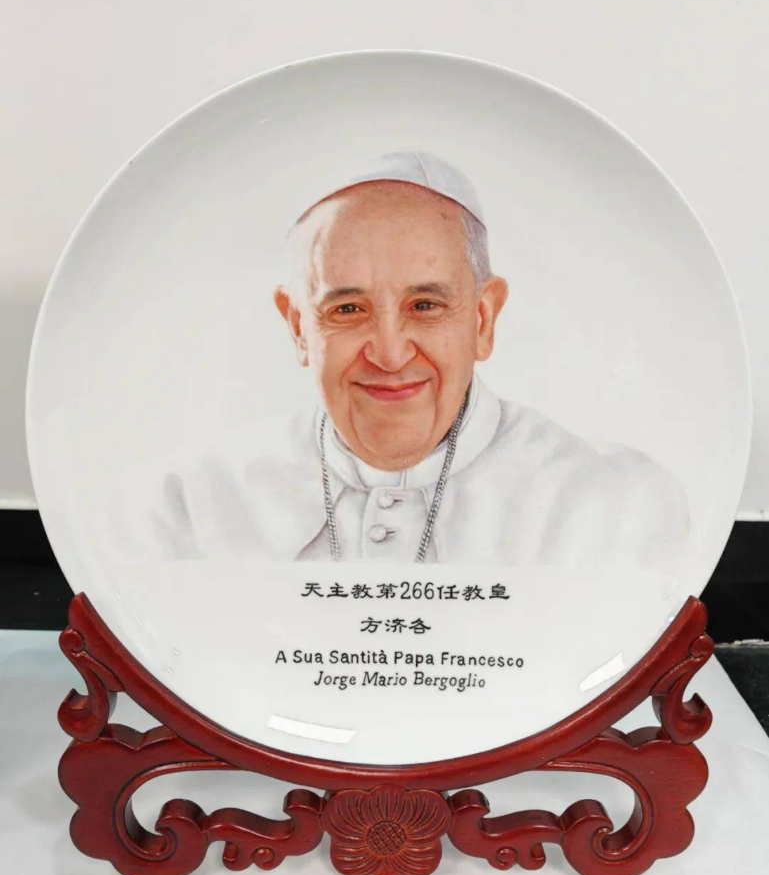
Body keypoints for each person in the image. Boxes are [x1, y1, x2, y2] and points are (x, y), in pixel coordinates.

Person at [111, 151, 689, 570]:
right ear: (298, 327)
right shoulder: (182, 508)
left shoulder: (611, 504)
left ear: (483, 319)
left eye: (425, 305)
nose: (389, 355)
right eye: (347, 309)